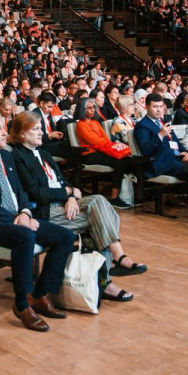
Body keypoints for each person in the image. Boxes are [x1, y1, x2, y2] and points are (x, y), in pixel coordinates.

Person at [0, 112, 74, 332]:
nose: (4, 133)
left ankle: (39, 295)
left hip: (15, 218)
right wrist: (16, 219)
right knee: (25, 236)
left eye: (4, 127)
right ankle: (21, 304)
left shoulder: (6, 156)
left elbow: (19, 191)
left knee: (64, 237)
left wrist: (25, 213)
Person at [9, 112, 142, 302]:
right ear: (22, 134)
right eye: (36, 129)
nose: (41, 133)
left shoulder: (44, 154)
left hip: (63, 205)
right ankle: (112, 271)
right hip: (45, 211)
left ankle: (115, 262)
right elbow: (36, 192)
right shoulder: (18, 157)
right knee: (101, 220)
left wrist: (70, 197)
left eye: (41, 128)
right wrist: (68, 193)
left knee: (99, 202)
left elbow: (63, 181)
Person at [134, 94, 188, 227]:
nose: (159, 110)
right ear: (146, 107)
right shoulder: (142, 126)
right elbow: (146, 150)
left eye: (161, 106)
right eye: (155, 107)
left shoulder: (163, 122)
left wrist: (186, 153)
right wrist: (160, 135)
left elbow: (177, 143)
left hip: (177, 159)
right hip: (161, 163)